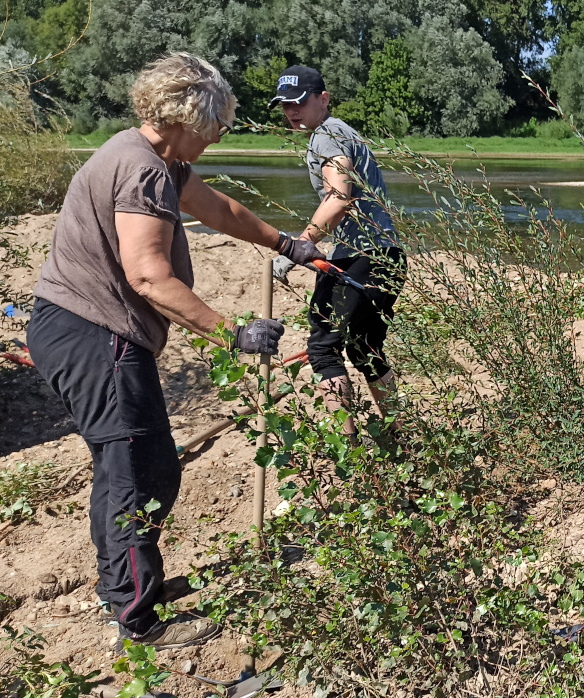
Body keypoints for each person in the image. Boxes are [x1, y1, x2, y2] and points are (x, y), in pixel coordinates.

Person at [26, 53, 322, 649]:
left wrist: (289, 244)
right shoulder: (143, 171)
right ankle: (136, 622)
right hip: (94, 334)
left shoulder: (152, 156)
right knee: (142, 469)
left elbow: (220, 211)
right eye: (218, 124)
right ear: (189, 116)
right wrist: (232, 333)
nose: (219, 136)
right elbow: (149, 278)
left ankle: (126, 591)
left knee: (126, 466)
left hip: (75, 328)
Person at [269, 66, 406, 440]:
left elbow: (340, 195)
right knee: (364, 347)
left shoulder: (325, 136)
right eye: (285, 105)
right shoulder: (342, 131)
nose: (291, 111)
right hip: (388, 255)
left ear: (323, 99)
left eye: (299, 102)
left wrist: (303, 243)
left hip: (359, 257)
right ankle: (399, 436)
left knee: (323, 349)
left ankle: (348, 453)